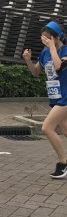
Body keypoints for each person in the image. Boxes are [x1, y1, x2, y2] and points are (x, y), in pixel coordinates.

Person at [23, 19, 67, 179]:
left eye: (48, 38)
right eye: (43, 38)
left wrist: (53, 48)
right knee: (65, 130)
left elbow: (58, 66)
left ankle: (63, 163)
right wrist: (28, 60)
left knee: (47, 128)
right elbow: (35, 72)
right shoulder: (44, 53)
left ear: (58, 37)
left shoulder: (65, 51)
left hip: (66, 96)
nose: (45, 41)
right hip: (56, 96)